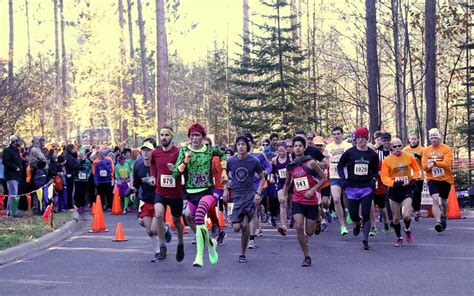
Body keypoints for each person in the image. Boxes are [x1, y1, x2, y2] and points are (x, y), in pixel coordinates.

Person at [172, 123, 227, 267]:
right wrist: (185, 161)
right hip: (191, 192)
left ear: (203, 137)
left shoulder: (209, 150)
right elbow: (175, 173)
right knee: (188, 215)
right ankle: (211, 247)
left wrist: (224, 171)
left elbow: (222, 154)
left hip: (207, 191)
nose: (194, 138)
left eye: (197, 135)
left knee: (198, 216)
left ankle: (199, 257)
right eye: (192, 135)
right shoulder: (184, 150)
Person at [283, 136, 327, 266]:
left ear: (304, 148)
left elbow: (323, 178)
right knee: (298, 226)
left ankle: (318, 218)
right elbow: (286, 183)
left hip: (311, 201)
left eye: (300, 146)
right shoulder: (290, 167)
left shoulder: (311, 163)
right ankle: (306, 256)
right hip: (297, 200)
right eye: (295, 146)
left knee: (309, 232)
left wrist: (313, 190)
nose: (297, 148)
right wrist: (283, 196)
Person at [224, 136, 265, 263]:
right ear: (235, 146)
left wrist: (258, 193)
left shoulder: (254, 161)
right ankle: (240, 226)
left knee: (245, 226)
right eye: (238, 144)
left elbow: (263, 177)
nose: (241, 146)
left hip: (249, 195)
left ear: (247, 146)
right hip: (236, 195)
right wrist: (225, 189)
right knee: (236, 227)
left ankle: (242, 253)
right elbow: (224, 176)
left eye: (243, 144)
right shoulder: (231, 161)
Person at [337, 128, 379, 250]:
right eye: (358, 137)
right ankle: (357, 223)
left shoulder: (372, 154)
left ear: (367, 138)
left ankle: (365, 240)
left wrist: (373, 180)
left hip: (366, 188)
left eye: (363, 137)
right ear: (355, 139)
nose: (360, 140)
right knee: (354, 215)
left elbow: (375, 170)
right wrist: (343, 180)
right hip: (352, 188)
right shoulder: (349, 153)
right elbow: (340, 166)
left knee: (366, 213)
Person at [149, 127, 184, 262]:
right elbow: (152, 164)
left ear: (172, 137)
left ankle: (180, 243)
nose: (164, 137)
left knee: (176, 221)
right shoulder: (156, 153)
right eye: (162, 135)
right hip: (160, 191)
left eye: (166, 135)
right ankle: (162, 247)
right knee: (158, 215)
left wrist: (175, 169)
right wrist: (152, 176)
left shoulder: (178, 152)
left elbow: (183, 168)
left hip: (175, 193)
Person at [381, 138, 420, 247]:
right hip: (394, 190)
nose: (397, 148)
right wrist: (393, 183)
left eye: (399, 146)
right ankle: (399, 237)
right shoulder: (387, 160)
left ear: (402, 146)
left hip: (406, 189)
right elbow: (384, 177)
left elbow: (416, 169)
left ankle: (407, 229)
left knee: (406, 215)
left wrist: (414, 178)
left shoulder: (408, 157)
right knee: (396, 218)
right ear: (391, 148)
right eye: (395, 147)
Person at [132, 141, 161, 262]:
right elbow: (136, 183)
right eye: (144, 150)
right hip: (145, 200)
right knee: (149, 231)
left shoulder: (158, 165)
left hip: (159, 199)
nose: (146, 152)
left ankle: (164, 230)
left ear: (153, 152)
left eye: (148, 150)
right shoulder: (138, 165)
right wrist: (132, 191)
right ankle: (158, 252)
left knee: (154, 229)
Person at [422, 128, 454, 232]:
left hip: (445, 179)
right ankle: (438, 222)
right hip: (432, 179)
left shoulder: (446, 149)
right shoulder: (426, 150)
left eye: (435, 137)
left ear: (439, 138)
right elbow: (424, 166)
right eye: (431, 137)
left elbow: (447, 163)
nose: (433, 139)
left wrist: (435, 163)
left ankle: (443, 216)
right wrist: (428, 166)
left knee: (444, 201)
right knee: (435, 199)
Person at [244, 132, 272, 249]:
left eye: (248, 141)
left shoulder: (259, 154)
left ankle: (252, 238)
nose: (245, 144)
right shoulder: (239, 155)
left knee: (253, 211)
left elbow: (269, 167)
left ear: (251, 142)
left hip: (257, 186)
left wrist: (264, 173)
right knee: (249, 212)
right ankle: (257, 227)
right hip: (244, 187)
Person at [323, 127, 352, 235]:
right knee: (335, 199)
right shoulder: (328, 147)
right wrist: (324, 170)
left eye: (338, 134)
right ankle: (343, 226)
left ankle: (348, 211)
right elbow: (326, 160)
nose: (336, 136)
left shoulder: (348, 146)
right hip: (334, 176)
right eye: (334, 134)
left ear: (342, 134)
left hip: (345, 176)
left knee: (346, 198)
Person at [373, 132, 392, 235]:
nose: (386, 142)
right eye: (384, 140)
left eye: (387, 140)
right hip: (379, 180)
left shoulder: (394, 151)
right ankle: (375, 224)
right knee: (379, 201)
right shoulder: (377, 152)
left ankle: (390, 218)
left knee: (389, 199)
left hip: (391, 178)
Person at [403, 132, 424, 221]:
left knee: (418, 193)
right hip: (409, 175)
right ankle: (410, 209)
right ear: (409, 140)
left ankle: (417, 211)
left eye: (415, 139)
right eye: (412, 139)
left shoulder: (422, 149)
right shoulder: (405, 150)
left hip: (419, 174)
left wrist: (419, 157)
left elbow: (425, 162)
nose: (413, 141)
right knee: (410, 192)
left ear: (417, 140)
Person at [3, 135, 23, 217]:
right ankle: (12, 212)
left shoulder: (17, 150)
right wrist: (16, 168)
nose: (20, 142)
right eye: (18, 141)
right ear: (14, 142)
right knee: (13, 193)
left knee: (13, 193)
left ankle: (11, 211)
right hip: (11, 175)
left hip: (16, 176)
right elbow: (6, 162)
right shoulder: (7, 150)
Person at [273, 142, 291, 231]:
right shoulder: (274, 160)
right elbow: (272, 170)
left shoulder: (290, 157)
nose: (281, 153)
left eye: (283, 151)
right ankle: (283, 225)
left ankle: (294, 218)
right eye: (279, 151)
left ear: (286, 150)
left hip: (292, 182)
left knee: (292, 202)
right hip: (281, 183)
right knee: (282, 202)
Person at [65, 144, 81, 210]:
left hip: (71, 174)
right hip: (69, 175)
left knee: (71, 191)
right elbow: (73, 165)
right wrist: (79, 161)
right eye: (74, 148)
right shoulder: (68, 156)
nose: (75, 149)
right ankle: (69, 205)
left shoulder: (71, 155)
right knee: (70, 191)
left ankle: (71, 204)